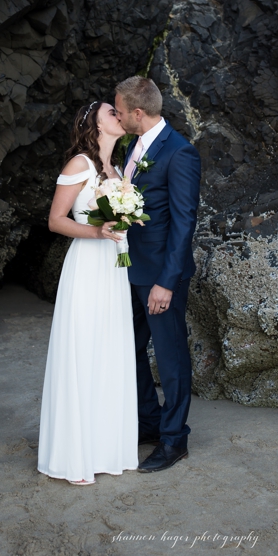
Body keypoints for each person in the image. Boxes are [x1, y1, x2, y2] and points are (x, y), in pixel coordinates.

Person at [38, 101, 138, 485]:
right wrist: (97, 231)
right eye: (112, 111)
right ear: (95, 125)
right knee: (82, 350)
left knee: (109, 350)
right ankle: (73, 456)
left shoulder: (117, 168)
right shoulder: (80, 164)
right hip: (86, 266)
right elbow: (55, 220)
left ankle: (106, 449)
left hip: (113, 269)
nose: (119, 114)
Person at [113, 76, 201, 473]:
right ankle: (149, 422)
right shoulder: (133, 145)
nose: (115, 116)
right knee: (128, 350)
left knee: (169, 357)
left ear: (137, 112)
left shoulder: (180, 153)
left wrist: (167, 282)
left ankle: (174, 439)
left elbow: (184, 223)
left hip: (162, 276)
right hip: (130, 269)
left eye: (118, 110)